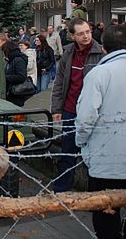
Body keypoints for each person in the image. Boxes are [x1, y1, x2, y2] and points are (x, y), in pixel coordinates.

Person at [76, 24, 126, 239]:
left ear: (104, 48)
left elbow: (87, 117)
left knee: (106, 213)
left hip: (106, 160)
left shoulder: (99, 74)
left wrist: (81, 142)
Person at [50, 18, 104, 192]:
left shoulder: (100, 53)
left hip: (93, 112)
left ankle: (95, 193)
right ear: (72, 36)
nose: (86, 36)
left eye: (88, 31)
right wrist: (57, 109)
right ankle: (61, 190)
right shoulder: (68, 53)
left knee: (94, 154)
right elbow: (60, 82)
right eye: (81, 33)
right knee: (67, 152)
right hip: (70, 110)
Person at [1, 41, 28, 107]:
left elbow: (21, 77)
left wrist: (6, 77)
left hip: (16, 93)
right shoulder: (10, 60)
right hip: (11, 92)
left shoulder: (18, 60)